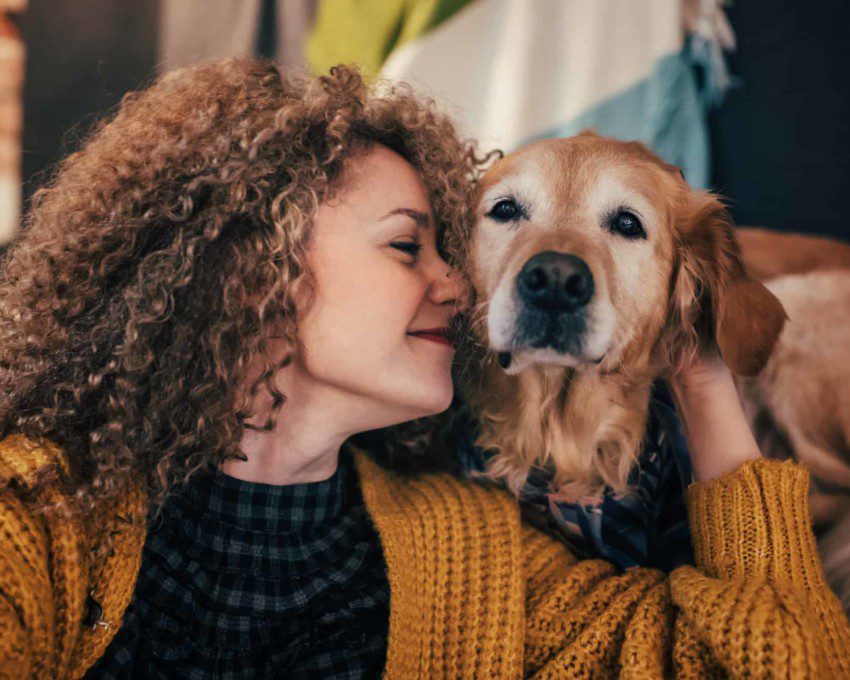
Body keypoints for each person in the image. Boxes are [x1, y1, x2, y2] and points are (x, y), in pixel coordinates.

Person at [0, 58, 847, 679]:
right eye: (410, 245)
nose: (462, 283)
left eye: (448, 247)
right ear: (254, 274)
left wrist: (701, 377)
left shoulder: (474, 555)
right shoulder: (43, 514)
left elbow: (786, 662)